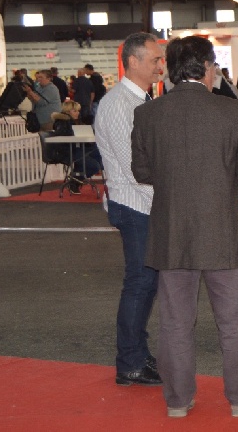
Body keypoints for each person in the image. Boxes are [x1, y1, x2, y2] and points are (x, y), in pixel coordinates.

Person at [130, 35, 238, 419]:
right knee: (234, 323)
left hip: (172, 233)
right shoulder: (232, 111)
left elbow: (141, 171)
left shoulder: (148, 113)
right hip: (222, 231)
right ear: (208, 68)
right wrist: (223, 175)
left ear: (170, 70)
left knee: (174, 323)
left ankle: (177, 401)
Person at [93, 32, 164, 387]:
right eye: (154, 59)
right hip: (135, 205)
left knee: (146, 284)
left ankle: (136, 354)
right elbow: (136, 168)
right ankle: (130, 363)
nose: (160, 65)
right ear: (133, 61)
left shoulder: (139, 100)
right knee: (140, 284)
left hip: (141, 203)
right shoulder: (121, 104)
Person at [51, 100, 102, 194]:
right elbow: (63, 136)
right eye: (75, 111)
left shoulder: (77, 122)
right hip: (68, 151)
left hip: (80, 149)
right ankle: (75, 181)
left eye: (78, 111)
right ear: (67, 111)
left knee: (101, 157)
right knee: (94, 165)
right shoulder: (61, 122)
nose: (78, 113)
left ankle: (75, 180)